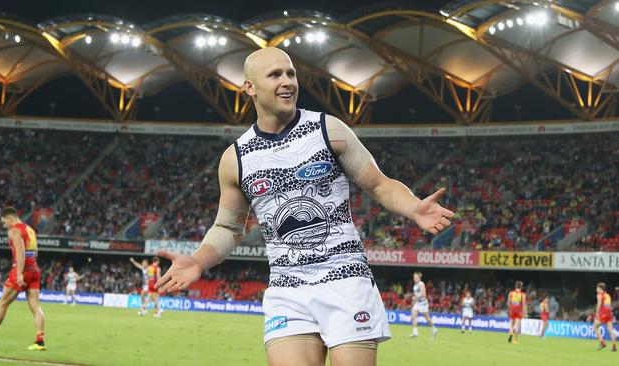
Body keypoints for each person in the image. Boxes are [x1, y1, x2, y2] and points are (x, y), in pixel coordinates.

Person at [155, 47, 454, 366]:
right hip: (287, 288)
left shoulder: (330, 130)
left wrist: (413, 208)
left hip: (345, 279)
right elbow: (229, 227)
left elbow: (379, 184)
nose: (287, 82)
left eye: (291, 73)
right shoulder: (236, 159)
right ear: (250, 87)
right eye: (275, 75)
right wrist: (198, 261)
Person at [0, 207, 46, 350]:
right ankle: (40, 340)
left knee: (3, 302)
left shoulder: (14, 230)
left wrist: (19, 273)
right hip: (35, 269)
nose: (4, 226)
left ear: (10, 219)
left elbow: (21, 251)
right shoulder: (30, 229)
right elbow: (35, 251)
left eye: (4, 222)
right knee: (36, 307)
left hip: (22, 269)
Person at [409, 272, 438, 338]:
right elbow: (417, 295)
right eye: (414, 277)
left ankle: (434, 329)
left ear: (419, 277)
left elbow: (423, 294)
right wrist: (414, 302)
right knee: (414, 316)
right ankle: (415, 332)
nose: (414, 278)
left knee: (427, 318)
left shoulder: (421, 284)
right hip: (418, 303)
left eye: (415, 277)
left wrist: (415, 298)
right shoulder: (415, 285)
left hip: (423, 303)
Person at [593, 282, 617, 351]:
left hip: (603, 314)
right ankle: (614, 346)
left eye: (597, 288)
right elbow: (608, 305)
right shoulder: (608, 295)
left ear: (601, 289)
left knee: (595, 327)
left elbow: (599, 303)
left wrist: (597, 312)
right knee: (610, 330)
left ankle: (602, 343)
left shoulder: (599, 295)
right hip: (609, 314)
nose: (596, 289)